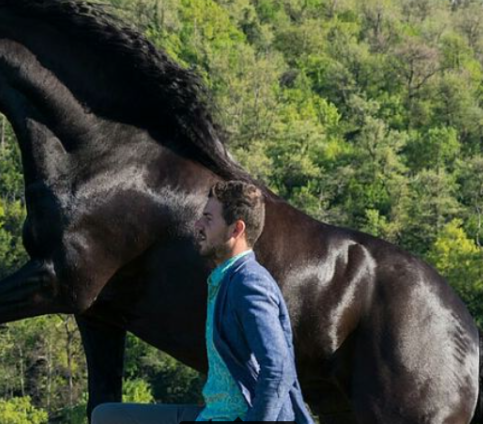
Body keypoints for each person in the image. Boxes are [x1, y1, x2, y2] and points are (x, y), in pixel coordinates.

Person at [91, 180, 315, 423]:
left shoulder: (249, 284)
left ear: (235, 230)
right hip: (212, 414)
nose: (197, 225)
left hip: (238, 417)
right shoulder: (225, 278)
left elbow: (278, 369)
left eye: (208, 218)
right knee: (108, 416)